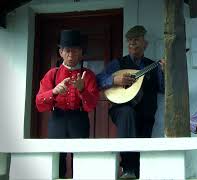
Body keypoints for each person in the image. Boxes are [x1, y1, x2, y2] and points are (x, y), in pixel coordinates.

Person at [96, 25, 165, 179]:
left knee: (143, 141)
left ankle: (138, 172)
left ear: (145, 44)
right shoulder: (118, 63)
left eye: (136, 40)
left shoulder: (153, 66)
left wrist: (165, 72)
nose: (132, 43)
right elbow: (98, 80)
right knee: (127, 114)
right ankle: (127, 168)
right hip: (122, 108)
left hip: (146, 111)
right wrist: (114, 79)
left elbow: (163, 89)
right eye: (130, 41)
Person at [36, 29, 99, 178]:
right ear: (61, 52)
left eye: (75, 51)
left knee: (80, 158)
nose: (71, 55)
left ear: (81, 52)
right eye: (67, 51)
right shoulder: (53, 74)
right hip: (57, 118)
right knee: (56, 159)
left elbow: (92, 105)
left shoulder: (88, 75)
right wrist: (54, 91)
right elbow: (39, 103)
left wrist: (82, 89)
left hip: (79, 118)